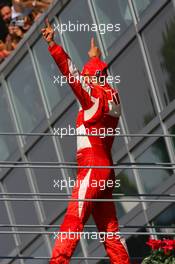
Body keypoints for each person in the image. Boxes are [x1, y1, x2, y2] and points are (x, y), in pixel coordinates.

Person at [41, 19, 130, 264]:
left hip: (91, 167)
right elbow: (100, 78)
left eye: (89, 76)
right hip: (106, 169)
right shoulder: (113, 99)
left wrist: (53, 45)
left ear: (92, 79)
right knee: (109, 230)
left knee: (74, 217)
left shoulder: (92, 100)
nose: (86, 80)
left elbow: (71, 74)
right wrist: (95, 58)